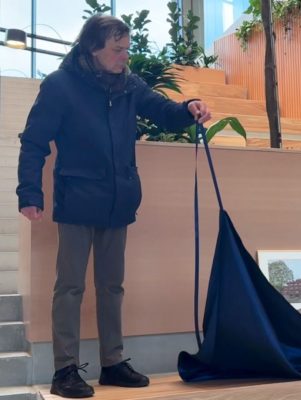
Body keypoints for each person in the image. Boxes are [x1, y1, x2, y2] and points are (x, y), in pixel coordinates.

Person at [16, 15, 211, 398]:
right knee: (70, 287)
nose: (126, 56)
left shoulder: (128, 84)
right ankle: (65, 370)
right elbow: (34, 142)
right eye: (118, 50)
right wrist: (30, 195)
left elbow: (162, 111)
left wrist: (190, 107)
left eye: (127, 48)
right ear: (93, 48)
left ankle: (112, 363)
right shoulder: (60, 85)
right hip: (76, 200)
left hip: (118, 200)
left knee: (112, 287)